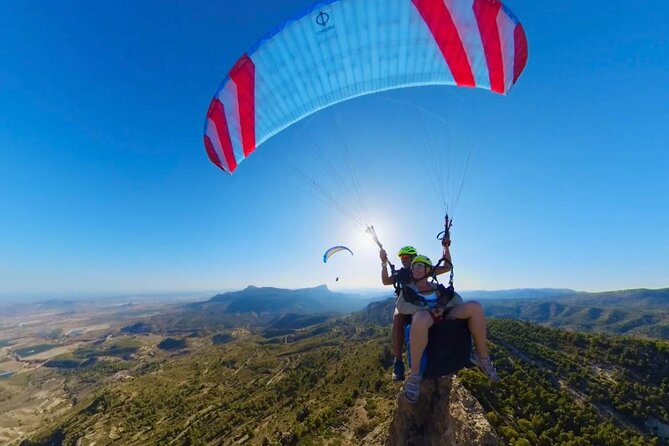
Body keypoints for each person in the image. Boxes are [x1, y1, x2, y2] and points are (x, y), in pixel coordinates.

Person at [398, 255, 499, 404]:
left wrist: (443, 309)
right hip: (426, 319)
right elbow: (402, 307)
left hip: (444, 315)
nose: (415, 269)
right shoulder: (408, 290)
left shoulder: (438, 288)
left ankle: (482, 358)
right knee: (420, 317)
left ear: (428, 269)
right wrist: (430, 309)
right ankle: (415, 374)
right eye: (413, 267)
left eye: (419, 266)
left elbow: (458, 301)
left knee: (475, 307)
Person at [380, 243, 452, 381]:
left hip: (423, 303)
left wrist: (446, 248)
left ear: (414, 257)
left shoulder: (420, 269)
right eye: (401, 257)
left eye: (407, 256)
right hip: (406, 303)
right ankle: (399, 362)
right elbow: (385, 281)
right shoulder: (401, 273)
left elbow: (447, 267)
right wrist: (383, 264)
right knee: (397, 317)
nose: (403, 259)